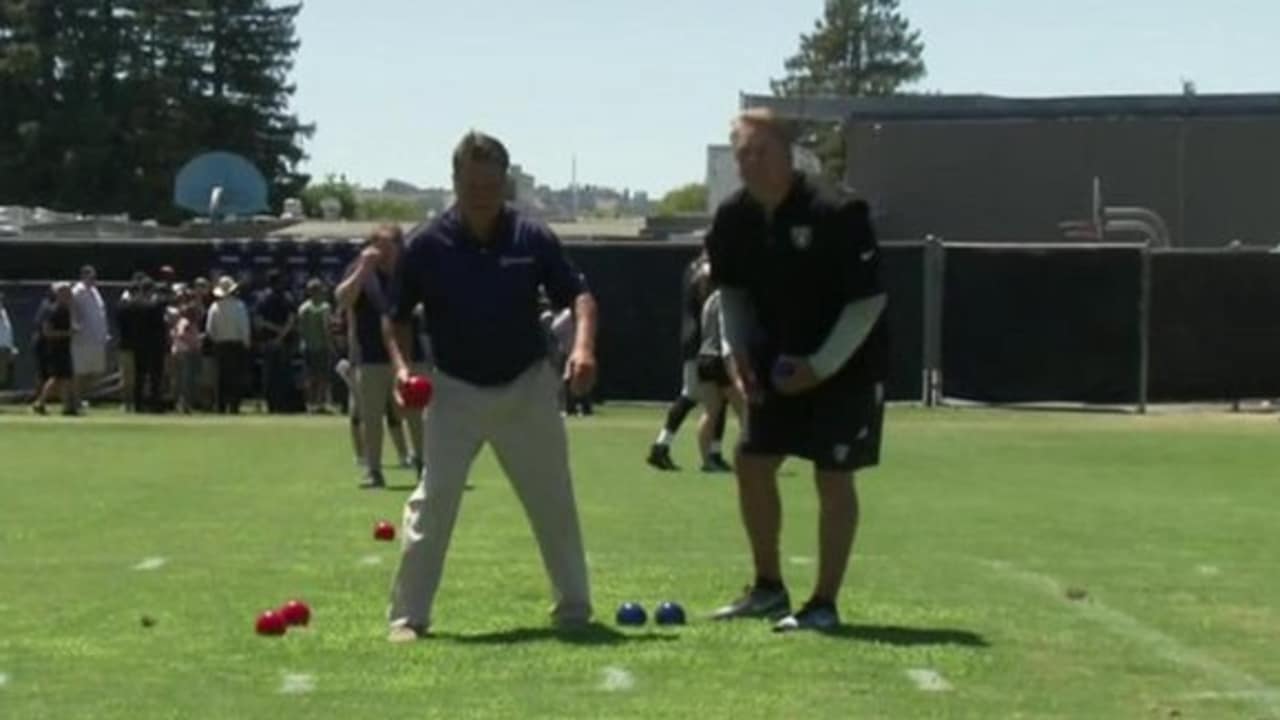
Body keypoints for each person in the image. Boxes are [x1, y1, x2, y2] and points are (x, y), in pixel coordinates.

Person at [382, 131, 598, 641]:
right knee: (433, 502)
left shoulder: (532, 237)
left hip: (526, 385)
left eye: (491, 183)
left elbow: (581, 297)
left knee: (553, 500)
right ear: (454, 181)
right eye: (471, 182)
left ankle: (574, 606)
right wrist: (400, 370)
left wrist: (584, 347)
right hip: (453, 390)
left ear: (506, 183)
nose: (481, 192)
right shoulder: (426, 244)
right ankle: (407, 617)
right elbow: (395, 318)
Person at [706, 109, 889, 632]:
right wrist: (735, 354)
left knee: (833, 476)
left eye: (760, 152)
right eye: (742, 154)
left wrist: (821, 366)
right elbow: (732, 294)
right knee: (752, 461)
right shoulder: (734, 218)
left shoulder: (838, 210)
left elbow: (867, 302)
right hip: (777, 363)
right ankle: (767, 588)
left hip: (846, 362)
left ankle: (823, 604)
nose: (749, 164)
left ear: (788, 154)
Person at [336, 225, 426, 488]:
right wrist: (363, 270)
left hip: (409, 355)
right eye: (376, 245)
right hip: (372, 357)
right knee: (371, 416)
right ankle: (374, 470)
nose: (381, 252)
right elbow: (343, 300)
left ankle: (423, 465)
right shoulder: (362, 273)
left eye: (387, 245)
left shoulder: (411, 272)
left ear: (399, 246)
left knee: (415, 415)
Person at [646, 253, 714, 471]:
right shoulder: (705, 268)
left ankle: (713, 451)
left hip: (692, 334)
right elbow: (704, 290)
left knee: (708, 395)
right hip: (700, 336)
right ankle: (661, 446)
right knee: (694, 394)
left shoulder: (691, 267)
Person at [695, 286, 743, 472]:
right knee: (745, 413)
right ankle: (746, 459)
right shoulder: (727, 300)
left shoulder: (709, 301)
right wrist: (733, 369)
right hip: (720, 359)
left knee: (710, 411)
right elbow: (726, 336)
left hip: (704, 357)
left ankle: (707, 461)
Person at [206, 276, 251, 414]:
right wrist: (246, 342)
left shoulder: (214, 307)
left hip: (220, 346)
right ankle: (234, 406)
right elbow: (244, 327)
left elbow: (209, 329)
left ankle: (220, 406)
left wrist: (216, 340)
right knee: (235, 377)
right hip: (236, 345)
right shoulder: (239, 306)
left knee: (221, 377)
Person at [254, 270, 297, 413]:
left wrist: (275, 333)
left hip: (269, 340)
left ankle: (271, 405)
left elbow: (259, 322)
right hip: (283, 341)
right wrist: (281, 335)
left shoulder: (262, 298)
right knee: (282, 374)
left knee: (270, 374)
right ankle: (282, 405)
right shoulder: (287, 297)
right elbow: (291, 321)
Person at [32, 283, 76, 415]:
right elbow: (47, 332)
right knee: (56, 378)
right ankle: (40, 402)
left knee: (66, 377)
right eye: (67, 292)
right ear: (59, 294)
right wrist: (68, 333)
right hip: (56, 349)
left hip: (64, 347)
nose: (70, 295)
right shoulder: (53, 310)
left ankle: (68, 406)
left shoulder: (66, 310)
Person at [71, 265, 110, 409]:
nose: (93, 279)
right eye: (90, 276)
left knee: (94, 372)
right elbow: (72, 308)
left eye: (94, 277)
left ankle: (82, 397)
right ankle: (76, 399)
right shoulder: (77, 291)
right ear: (83, 276)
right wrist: (75, 324)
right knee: (80, 372)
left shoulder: (94, 291)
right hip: (83, 338)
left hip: (97, 338)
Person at [297, 278, 335, 413]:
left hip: (307, 347)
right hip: (322, 346)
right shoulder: (325, 307)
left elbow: (300, 329)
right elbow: (326, 329)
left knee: (309, 376)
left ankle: (309, 404)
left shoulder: (303, 308)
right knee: (322, 377)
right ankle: (320, 404)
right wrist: (331, 345)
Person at [171, 302, 203, 414]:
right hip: (184, 353)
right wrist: (192, 343)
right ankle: (183, 404)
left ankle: (185, 404)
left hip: (187, 352)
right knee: (185, 380)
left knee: (186, 380)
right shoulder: (185, 322)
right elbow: (181, 334)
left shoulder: (191, 323)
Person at [0, 290, 15, 390]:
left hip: (5, 347)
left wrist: (11, 347)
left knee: (3, 376)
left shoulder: (3, 311)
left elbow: (7, 330)